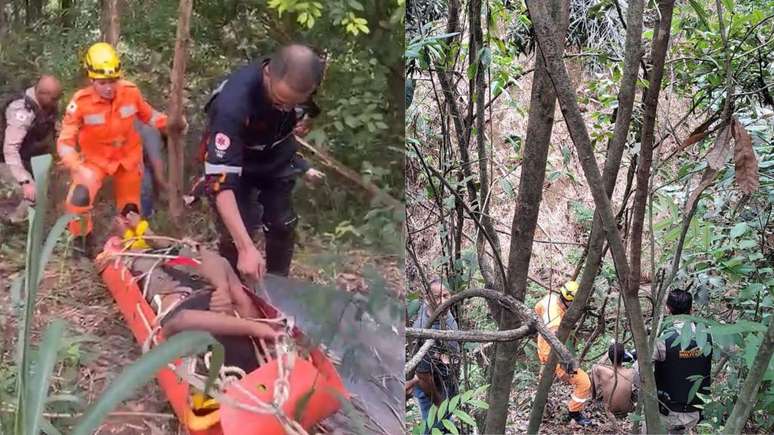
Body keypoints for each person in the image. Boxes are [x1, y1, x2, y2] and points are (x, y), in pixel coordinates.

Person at [201, 44, 326, 281]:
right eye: (280, 102)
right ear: (267, 73)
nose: (286, 109)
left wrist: (302, 120)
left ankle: (279, 287)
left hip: (276, 155)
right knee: (238, 230)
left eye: (293, 104)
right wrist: (246, 248)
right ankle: (233, 287)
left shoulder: (305, 83)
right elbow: (221, 184)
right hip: (238, 162)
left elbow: (308, 111)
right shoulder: (232, 104)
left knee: (282, 223)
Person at [57, 42, 174, 257]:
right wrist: (75, 166)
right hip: (95, 161)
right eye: (103, 83)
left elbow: (149, 115)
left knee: (130, 208)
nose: (109, 87)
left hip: (127, 158)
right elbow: (65, 141)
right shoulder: (80, 103)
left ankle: (132, 247)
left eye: (113, 81)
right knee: (79, 197)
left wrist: (170, 122)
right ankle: (81, 244)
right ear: (91, 79)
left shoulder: (130, 92)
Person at [645, 289, 712, 434]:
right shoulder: (707, 335)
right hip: (695, 413)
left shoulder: (663, 340)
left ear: (668, 308)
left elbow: (641, 371)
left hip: (667, 413)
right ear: (691, 309)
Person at [1, 75, 62, 222]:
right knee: (31, 194)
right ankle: (12, 223)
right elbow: (10, 150)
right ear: (42, 94)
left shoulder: (47, 105)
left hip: (29, 158)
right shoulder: (21, 111)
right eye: (54, 98)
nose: (56, 102)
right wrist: (25, 181)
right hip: (7, 160)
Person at [534, 281, 593, 426]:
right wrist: (568, 363)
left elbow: (537, 309)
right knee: (584, 382)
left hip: (543, 347)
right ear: (568, 301)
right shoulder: (555, 323)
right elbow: (556, 343)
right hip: (551, 354)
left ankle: (539, 406)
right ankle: (575, 413)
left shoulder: (550, 298)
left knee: (544, 381)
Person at [411, 279, 459, 433]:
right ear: (427, 298)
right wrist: (438, 402)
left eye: (446, 295)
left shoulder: (444, 310)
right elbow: (423, 376)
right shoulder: (422, 329)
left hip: (446, 377)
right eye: (437, 297)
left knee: (446, 419)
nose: (443, 301)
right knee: (434, 426)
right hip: (432, 388)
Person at [590, 342, 637, 418]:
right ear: (623, 357)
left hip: (607, 410)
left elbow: (597, 365)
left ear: (609, 356)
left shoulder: (602, 371)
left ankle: (594, 398)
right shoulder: (631, 372)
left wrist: (606, 355)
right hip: (626, 411)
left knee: (594, 369)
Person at [135, 120, 169, 217]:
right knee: (145, 184)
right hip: (129, 157)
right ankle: (145, 216)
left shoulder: (151, 127)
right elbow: (156, 164)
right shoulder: (153, 133)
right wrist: (168, 188)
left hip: (136, 154)